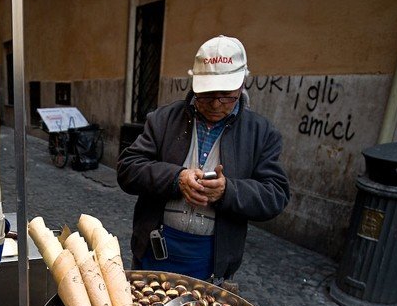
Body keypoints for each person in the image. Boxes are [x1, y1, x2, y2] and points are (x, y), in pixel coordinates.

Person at [117, 35, 290, 286]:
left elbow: (276, 194)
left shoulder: (261, 133)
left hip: (211, 261)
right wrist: (177, 178)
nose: (216, 104)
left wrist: (227, 191)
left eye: (226, 96)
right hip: (154, 251)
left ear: (241, 84)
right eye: (207, 95)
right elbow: (127, 169)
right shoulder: (163, 119)